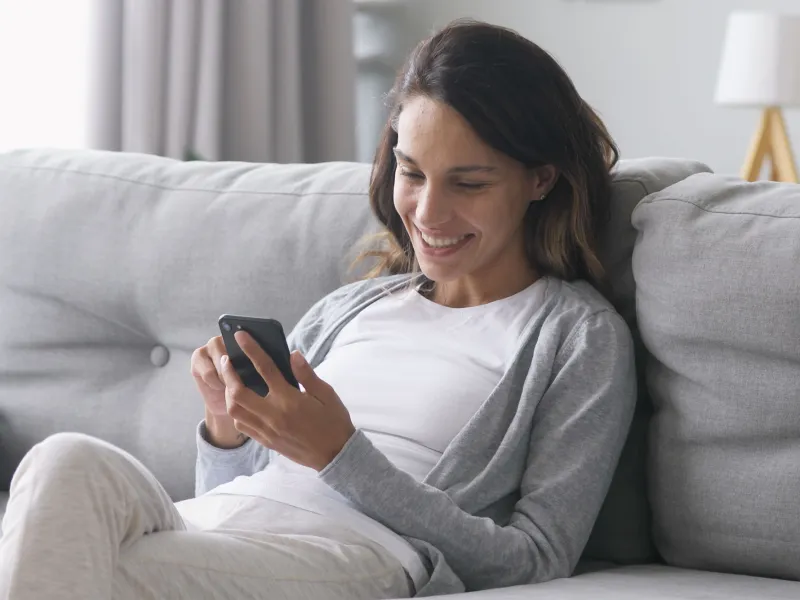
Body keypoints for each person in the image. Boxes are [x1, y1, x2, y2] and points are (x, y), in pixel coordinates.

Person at [0, 18, 636, 600]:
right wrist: (227, 426)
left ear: (541, 179)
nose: (428, 212)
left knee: (86, 567)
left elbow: (536, 559)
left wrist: (341, 453)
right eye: (412, 174)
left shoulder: (577, 339)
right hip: (224, 526)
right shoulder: (352, 307)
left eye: (468, 183)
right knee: (65, 460)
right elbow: (231, 493)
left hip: (356, 555)